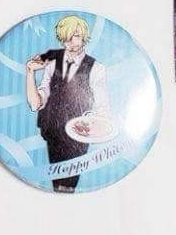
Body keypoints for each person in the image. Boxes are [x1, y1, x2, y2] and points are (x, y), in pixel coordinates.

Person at [24, 15, 111, 192]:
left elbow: (102, 105)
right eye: (67, 37)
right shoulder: (51, 64)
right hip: (53, 131)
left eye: (76, 36)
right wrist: (30, 73)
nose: (71, 41)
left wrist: (96, 123)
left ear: (84, 37)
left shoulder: (96, 68)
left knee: (69, 183)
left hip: (78, 135)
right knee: (57, 181)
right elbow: (37, 103)